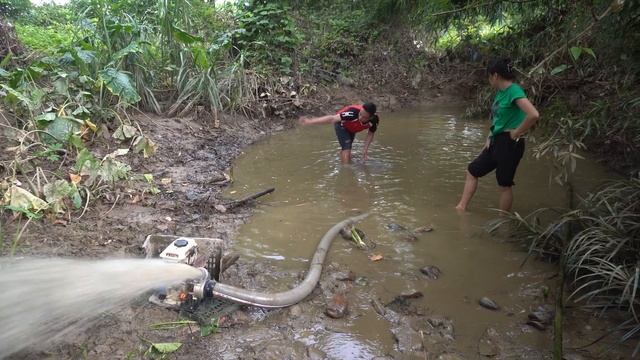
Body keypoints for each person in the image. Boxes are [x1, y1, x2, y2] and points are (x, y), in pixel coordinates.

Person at [456, 59, 540, 212]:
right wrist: (490, 135)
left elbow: (533, 115)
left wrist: (516, 132)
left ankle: (503, 223)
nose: (489, 80)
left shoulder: (514, 91)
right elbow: (499, 118)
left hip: (510, 143)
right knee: (472, 170)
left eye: (489, 76)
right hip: (496, 141)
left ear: (495, 75)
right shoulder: (501, 93)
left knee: (504, 184)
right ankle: (461, 208)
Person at [299, 102, 379, 164]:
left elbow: (370, 134)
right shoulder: (352, 113)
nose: (360, 117)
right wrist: (310, 121)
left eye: (364, 117)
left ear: (371, 117)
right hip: (342, 125)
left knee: (347, 151)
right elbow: (332, 119)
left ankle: (342, 161)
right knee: (347, 148)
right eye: (360, 114)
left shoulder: (374, 120)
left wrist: (365, 151)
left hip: (352, 129)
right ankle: (346, 171)